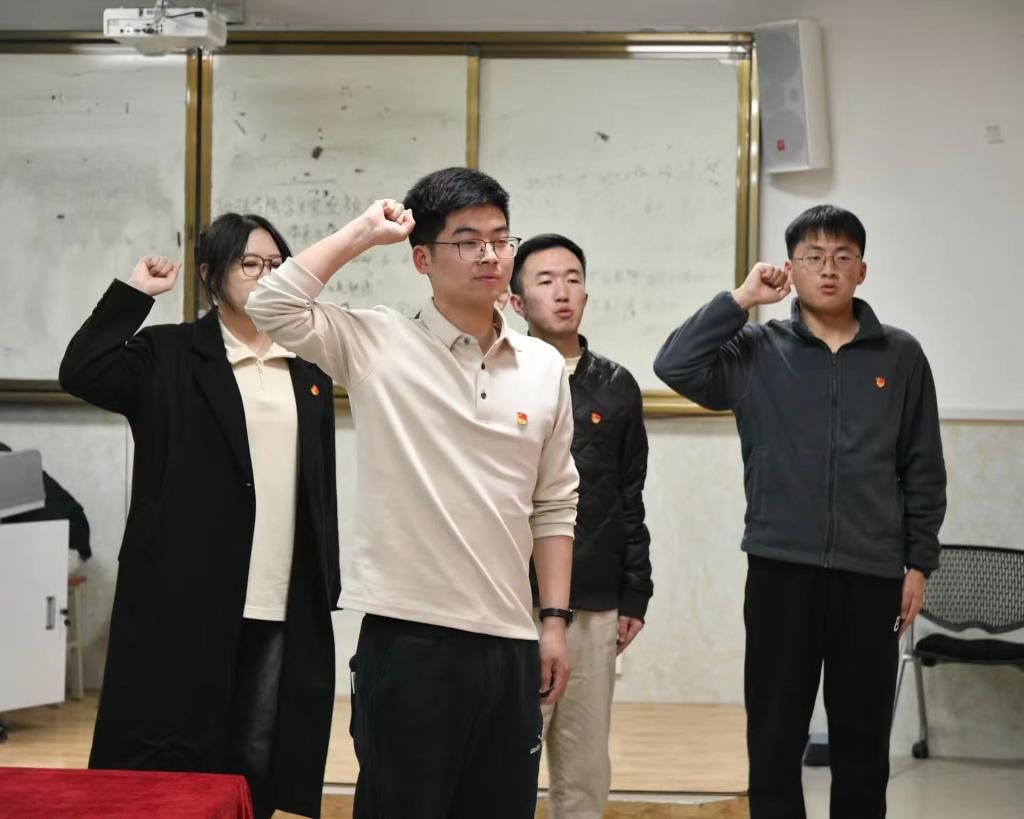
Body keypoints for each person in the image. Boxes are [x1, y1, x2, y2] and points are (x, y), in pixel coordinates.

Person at [245, 167, 579, 819]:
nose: (489, 255)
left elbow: (555, 503)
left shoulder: (542, 366)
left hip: (511, 640)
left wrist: (554, 622)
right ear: (422, 258)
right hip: (411, 640)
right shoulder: (377, 341)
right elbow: (271, 306)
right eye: (467, 241)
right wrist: (363, 232)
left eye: (500, 239)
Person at [653, 205, 946, 819]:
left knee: (863, 745)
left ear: (862, 269)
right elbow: (674, 365)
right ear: (791, 268)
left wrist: (918, 562)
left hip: (871, 574)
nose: (828, 269)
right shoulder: (757, 348)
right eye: (813, 257)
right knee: (775, 739)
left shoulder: (901, 356)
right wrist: (741, 299)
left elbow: (922, 465)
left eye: (842, 257)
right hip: (781, 569)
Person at [59, 213, 340, 819]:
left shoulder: (306, 365)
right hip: (184, 593)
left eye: (277, 265)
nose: (266, 276)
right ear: (211, 274)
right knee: (177, 754)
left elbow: (318, 487)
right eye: (249, 264)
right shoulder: (168, 354)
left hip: (280, 592)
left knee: (259, 754)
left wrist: (327, 580)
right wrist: (134, 294)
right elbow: (81, 371)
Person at [509, 233, 653, 819]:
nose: (562, 291)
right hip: (513, 600)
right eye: (545, 281)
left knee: (585, 769)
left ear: (587, 295)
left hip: (593, 601)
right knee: (509, 760)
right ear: (516, 301)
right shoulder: (501, 376)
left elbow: (630, 496)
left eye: (572, 279)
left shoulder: (617, 386)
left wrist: (635, 592)